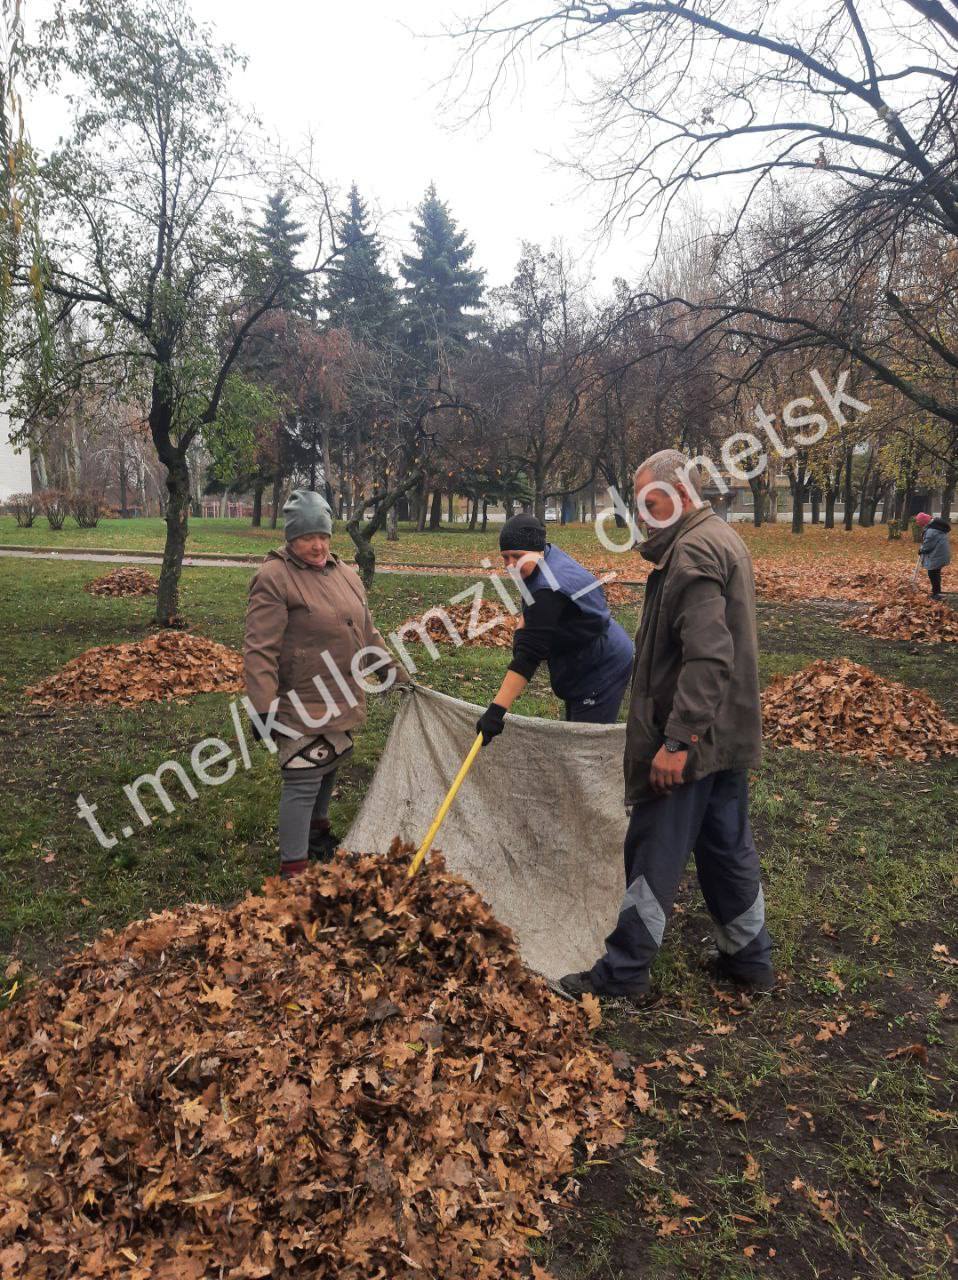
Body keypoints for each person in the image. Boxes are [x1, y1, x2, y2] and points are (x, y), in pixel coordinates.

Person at [560, 449, 773, 1001]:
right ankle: (748, 958)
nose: (645, 517)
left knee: (653, 847)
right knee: (726, 844)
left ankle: (623, 973)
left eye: (651, 503)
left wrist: (677, 741)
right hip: (723, 734)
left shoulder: (694, 551)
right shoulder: (718, 537)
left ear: (680, 495)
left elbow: (708, 658)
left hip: (693, 737)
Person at [244, 488, 410, 879]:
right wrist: (263, 706)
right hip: (300, 700)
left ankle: (318, 836)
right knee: (302, 777)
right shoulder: (274, 577)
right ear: (290, 538)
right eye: (306, 538)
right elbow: (260, 648)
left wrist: (395, 678)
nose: (317, 545)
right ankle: (294, 868)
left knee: (329, 764)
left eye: (323, 535)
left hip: (342, 693)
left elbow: (368, 636)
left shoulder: (346, 574)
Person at [475, 513, 635, 744]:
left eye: (517, 556)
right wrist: (523, 633)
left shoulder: (548, 590)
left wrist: (496, 711)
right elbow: (533, 617)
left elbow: (529, 657)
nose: (511, 565)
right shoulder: (545, 558)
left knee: (583, 745)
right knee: (575, 729)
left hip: (603, 664)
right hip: (585, 648)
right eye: (505, 557)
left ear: (537, 551)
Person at [914, 512, 951, 600]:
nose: (920, 526)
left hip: (937, 555)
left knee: (932, 573)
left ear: (924, 522)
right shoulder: (935, 527)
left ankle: (936, 594)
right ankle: (937, 592)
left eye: (920, 523)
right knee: (935, 573)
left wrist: (921, 550)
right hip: (940, 554)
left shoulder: (932, 531)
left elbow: (928, 546)